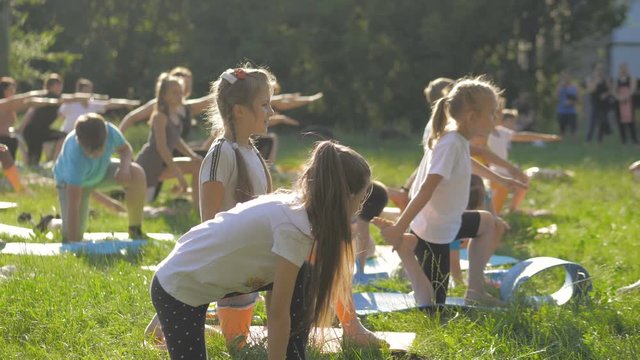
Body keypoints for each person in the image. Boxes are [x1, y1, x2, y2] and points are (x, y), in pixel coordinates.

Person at [150, 140, 372, 359]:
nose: (360, 208)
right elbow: (278, 314)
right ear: (345, 197)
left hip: (201, 280)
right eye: (361, 199)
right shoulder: (295, 229)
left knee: (304, 274)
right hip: (179, 290)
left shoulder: (297, 209)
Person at [145, 66, 276, 349]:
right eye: (264, 105)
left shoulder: (252, 151)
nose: (271, 112)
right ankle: (166, 320)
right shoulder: (220, 155)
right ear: (239, 111)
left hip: (244, 265)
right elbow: (210, 229)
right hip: (228, 268)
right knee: (238, 343)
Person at [376, 76, 508, 306]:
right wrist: (398, 227)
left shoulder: (457, 137)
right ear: (472, 117)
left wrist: (499, 178)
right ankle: (407, 248)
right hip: (433, 231)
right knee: (432, 306)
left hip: (448, 222)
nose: (495, 119)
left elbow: (465, 162)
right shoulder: (450, 142)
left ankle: (475, 292)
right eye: (491, 113)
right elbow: (426, 189)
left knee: (488, 223)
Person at [53, 113, 146, 242]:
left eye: (99, 148)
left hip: (100, 172)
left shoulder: (111, 132)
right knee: (74, 234)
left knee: (137, 173)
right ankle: (52, 223)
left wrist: (124, 168)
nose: (95, 154)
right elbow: (74, 204)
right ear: (79, 142)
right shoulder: (75, 155)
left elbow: (125, 150)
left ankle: (135, 230)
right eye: (90, 151)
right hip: (69, 184)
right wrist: (73, 244)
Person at [134, 73, 202, 211]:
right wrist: (179, 176)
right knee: (141, 208)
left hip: (162, 164)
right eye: (175, 93)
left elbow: (176, 140)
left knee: (197, 164)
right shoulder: (159, 116)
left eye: (180, 92)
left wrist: (192, 155)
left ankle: (197, 209)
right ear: (164, 95)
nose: (180, 96)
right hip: (149, 164)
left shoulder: (176, 115)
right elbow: (162, 147)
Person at [488, 109, 561, 213]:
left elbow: (523, 136)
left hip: (505, 170)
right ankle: (496, 211)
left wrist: (546, 137)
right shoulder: (484, 134)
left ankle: (513, 208)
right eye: (495, 114)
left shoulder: (501, 132)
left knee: (523, 180)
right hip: (492, 172)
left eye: (499, 114)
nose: (497, 117)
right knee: (497, 196)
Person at [19, 73, 90, 166]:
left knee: (63, 136)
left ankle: (55, 162)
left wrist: (89, 96)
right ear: (51, 86)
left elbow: (73, 98)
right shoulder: (45, 96)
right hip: (32, 131)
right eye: (58, 85)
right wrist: (50, 102)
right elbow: (30, 104)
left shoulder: (58, 98)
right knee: (34, 159)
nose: (60, 87)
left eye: (60, 85)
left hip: (42, 131)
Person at [0, 76, 57, 160]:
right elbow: (25, 97)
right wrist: (45, 92)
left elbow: (28, 102)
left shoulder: (11, 106)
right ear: (3, 91)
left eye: (14, 90)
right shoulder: (2, 104)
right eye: (10, 90)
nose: (13, 93)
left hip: (9, 139)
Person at [58, 78, 140, 135]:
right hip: (66, 135)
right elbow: (60, 116)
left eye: (90, 90)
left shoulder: (93, 105)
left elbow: (110, 103)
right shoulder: (70, 104)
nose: (89, 92)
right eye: (86, 90)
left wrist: (126, 102)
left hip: (83, 137)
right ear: (80, 91)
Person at [586, 63, 613, 144]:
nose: (600, 71)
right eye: (598, 69)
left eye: (601, 69)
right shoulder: (590, 78)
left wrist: (606, 94)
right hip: (594, 103)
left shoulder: (606, 79)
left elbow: (610, 89)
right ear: (594, 70)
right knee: (592, 122)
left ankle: (599, 141)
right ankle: (588, 141)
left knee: (602, 122)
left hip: (604, 104)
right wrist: (596, 81)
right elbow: (591, 90)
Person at [614, 62, 638, 145]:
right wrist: (618, 97)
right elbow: (614, 90)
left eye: (624, 68)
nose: (623, 70)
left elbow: (633, 89)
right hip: (619, 102)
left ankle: (635, 141)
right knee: (620, 122)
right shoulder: (617, 79)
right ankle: (623, 141)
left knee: (631, 122)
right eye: (621, 68)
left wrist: (626, 97)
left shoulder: (631, 78)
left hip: (629, 102)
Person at [556, 72, 579, 141]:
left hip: (571, 111)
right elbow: (556, 95)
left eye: (567, 77)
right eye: (564, 77)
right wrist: (560, 85)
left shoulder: (574, 87)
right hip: (561, 111)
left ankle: (574, 141)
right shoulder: (560, 87)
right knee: (562, 128)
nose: (566, 79)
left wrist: (571, 102)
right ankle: (561, 140)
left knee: (573, 128)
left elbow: (578, 99)